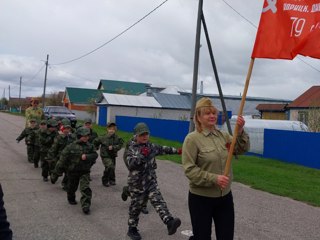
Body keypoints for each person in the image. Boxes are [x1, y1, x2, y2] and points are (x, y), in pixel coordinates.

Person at [181, 97, 250, 240]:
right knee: (202, 237)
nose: (212, 116)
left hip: (224, 197)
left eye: (213, 113)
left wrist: (241, 130)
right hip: (201, 199)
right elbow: (189, 170)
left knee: (226, 236)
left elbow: (240, 149)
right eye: (207, 113)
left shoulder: (223, 136)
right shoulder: (192, 139)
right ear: (198, 117)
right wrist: (214, 178)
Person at [124, 122, 182, 240]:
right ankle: (132, 229)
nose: (145, 137)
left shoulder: (150, 146)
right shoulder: (130, 148)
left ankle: (169, 222)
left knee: (158, 201)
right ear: (136, 136)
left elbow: (162, 149)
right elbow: (130, 164)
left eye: (146, 134)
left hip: (151, 182)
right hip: (137, 185)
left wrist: (178, 151)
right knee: (136, 207)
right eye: (142, 135)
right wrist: (141, 156)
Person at [51, 127, 98, 215]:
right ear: (79, 136)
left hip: (85, 171)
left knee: (85, 188)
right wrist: (55, 173)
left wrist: (87, 157)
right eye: (83, 136)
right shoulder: (70, 146)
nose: (85, 138)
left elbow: (95, 155)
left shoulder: (90, 146)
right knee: (72, 187)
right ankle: (71, 198)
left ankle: (85, 206)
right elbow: (62, 160)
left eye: (87, 136)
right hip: (73, 171)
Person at [47, 118, 76, 190]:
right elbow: (54, 148)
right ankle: (53, 177)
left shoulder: (73, 137)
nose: (67, 130)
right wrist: (50, 158)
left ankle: (65, 184)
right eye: (65, 128)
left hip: (69, 158)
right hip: (60, 157)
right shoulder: (59, 137)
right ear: (62, 128)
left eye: (68, 129)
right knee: (58, 170)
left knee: (69, 171)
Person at [93, 122, 124, 187]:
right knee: (110, 166)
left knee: (112, 168)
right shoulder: (103, 137)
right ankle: (105, 180)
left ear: (115, 130)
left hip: (113, 155)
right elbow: (95, 142)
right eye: (110, 129)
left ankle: (112, 180)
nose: (111, 130)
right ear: (107, 129)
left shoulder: (117, 138)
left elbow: (121, 144)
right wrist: (96, 148)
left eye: (113, 129)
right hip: (105, 155)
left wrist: (114, 147)